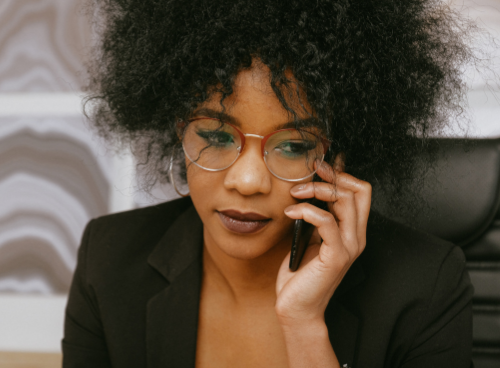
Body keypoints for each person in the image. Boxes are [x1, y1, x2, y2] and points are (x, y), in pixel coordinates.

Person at [62, 0, 477, 367]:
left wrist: (303, 325)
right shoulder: (109, 260)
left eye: (293, 146)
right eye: (216, 137)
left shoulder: (426, 284)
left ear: (337, 159)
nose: (247, 181)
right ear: (179, 131)